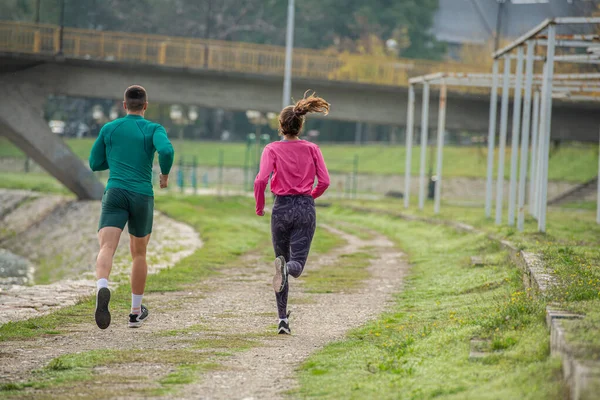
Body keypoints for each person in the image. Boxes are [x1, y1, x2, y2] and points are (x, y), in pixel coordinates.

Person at [89, 85, 174, 329]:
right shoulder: (153, 129)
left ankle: (102, 287)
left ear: (123, 105)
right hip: (141, 195)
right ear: (145, 106)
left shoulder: (110, 128)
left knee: (106, 246)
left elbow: (94, 163)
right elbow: (166, 150)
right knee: (139, 253)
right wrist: (165, 175)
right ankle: (135, 312)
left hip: (115, 192)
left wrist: (115, 159)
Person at [254, 91, 331, 334]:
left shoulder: (271, 149)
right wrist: (309, 198)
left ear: (281, 125)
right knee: (295, 264)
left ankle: (282, 320)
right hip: (305, 208)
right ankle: (287, 270)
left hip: (281, 208)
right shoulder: (312, 148)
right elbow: (325, 181)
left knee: (281, 262)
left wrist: (259, 206)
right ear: (300, 125)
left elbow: (260, 180)